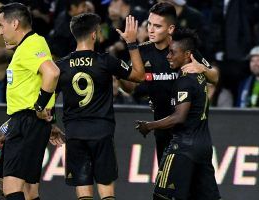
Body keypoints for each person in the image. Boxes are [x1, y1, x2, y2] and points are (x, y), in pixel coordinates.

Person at [55, 13, 144, 199]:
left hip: (74, 133)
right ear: (94, 34)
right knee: (107, 194)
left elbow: (48, 100)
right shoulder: (106, 61)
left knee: (83, 194)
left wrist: (51, 125)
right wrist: (132, 43)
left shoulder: (60, 66)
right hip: (101, 133)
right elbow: (139, 76)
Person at [120, 2, 219, 164]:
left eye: (157, 26)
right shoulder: (142, 51)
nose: (151, 30)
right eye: (150, 24)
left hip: (189, 132)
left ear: (171, 29)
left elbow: (214, 78)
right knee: (168, 184)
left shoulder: (182, 50)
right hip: (163, 130)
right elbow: (130, 88)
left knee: (187, 186)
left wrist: (202, 68)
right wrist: (119, 73)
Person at [136, 28, 220, 200]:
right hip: (203, 146)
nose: (168, 56)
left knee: (162, 195)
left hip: (182, 147)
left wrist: (149, 126)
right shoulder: (199, 76)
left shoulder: (184, 80)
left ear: (188, 54)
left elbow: (179, 117)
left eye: (173, 53)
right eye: (168, 52)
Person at [0, 3, 60, 200]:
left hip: (26, 123)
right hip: (26, 122)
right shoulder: (28, 45)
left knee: (11, 187)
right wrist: (6, 128)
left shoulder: (32, 44)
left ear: (14, 23)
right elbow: (30, 92)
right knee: (29, 191)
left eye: (1, 25)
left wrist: (40, 107)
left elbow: (52, 73)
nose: (0, 32)